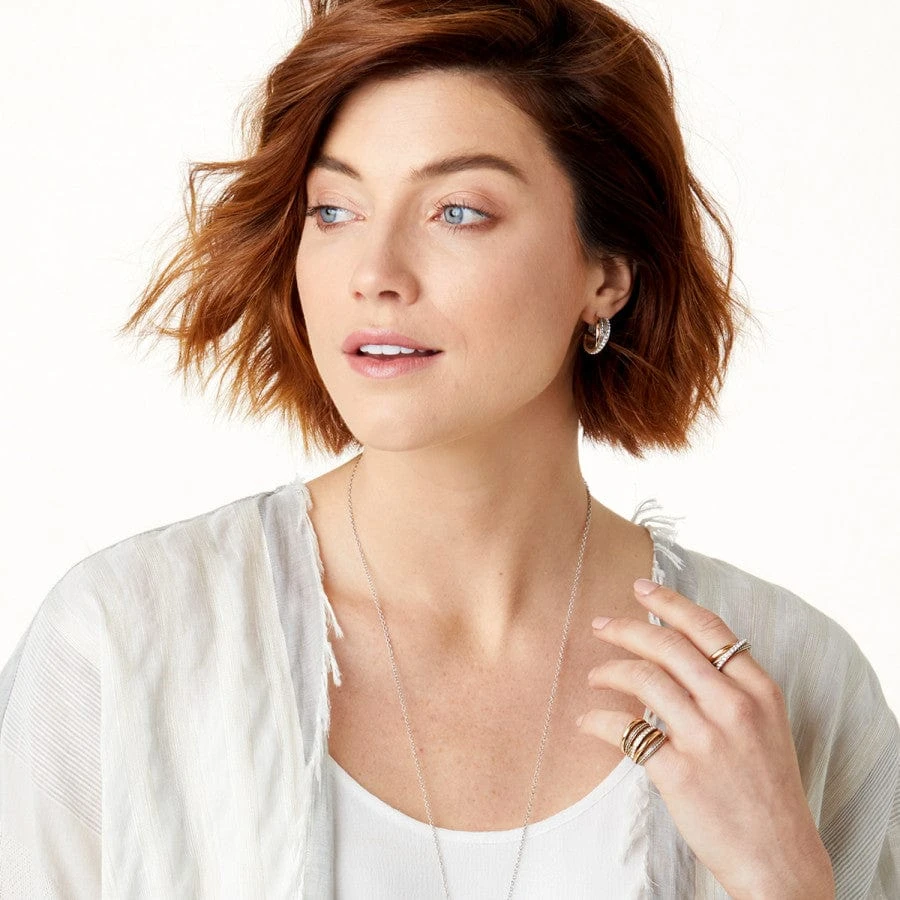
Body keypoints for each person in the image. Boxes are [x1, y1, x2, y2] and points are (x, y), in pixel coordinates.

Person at [1, 0, 896, 896]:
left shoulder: (790, 678)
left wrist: (785, 876)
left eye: (457, 212)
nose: (374, 274)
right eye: (334, 210)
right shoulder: (126, 642)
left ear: (607, 274)